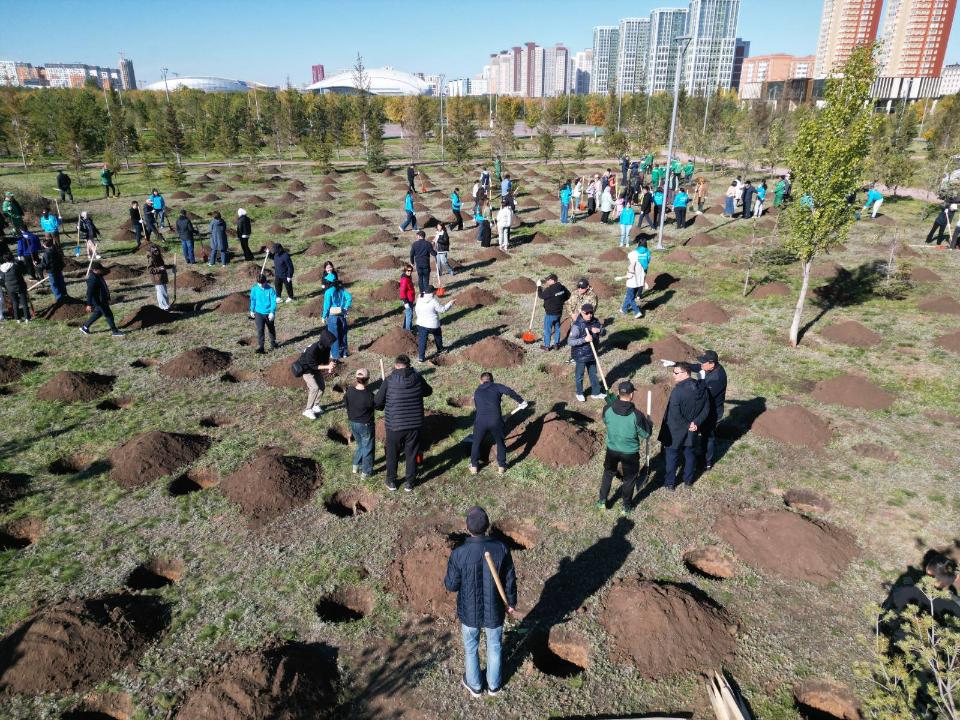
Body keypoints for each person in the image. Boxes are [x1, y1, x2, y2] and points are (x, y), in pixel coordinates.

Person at [444, 505, 517, 698]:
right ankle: (494, 685)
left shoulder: (459, 554)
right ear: (487, 526)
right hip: (495, 611)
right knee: (494, 647)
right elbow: (509, 580)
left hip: (469, 612)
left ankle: (475, 686)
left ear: (467, 527)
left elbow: (451, 585)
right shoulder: (501, 549)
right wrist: (511, 603)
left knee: (471, 649)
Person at [374, 354, 433, 491]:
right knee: (411, 453)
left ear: (396, 365)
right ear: (409, 365)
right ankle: (410, 482)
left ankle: (391, 481)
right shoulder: (417, 377)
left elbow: (377, 402)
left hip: (394, 425)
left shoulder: (389, 380)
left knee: (392, 453)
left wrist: (381, 405)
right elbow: (428, 391)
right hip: (414, 425)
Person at [598, 381, 652, 514]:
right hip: (629, 453)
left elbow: (605, 420)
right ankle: (626, 507)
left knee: (608, 473)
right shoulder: (637, 415)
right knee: (629, 479)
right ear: (632, 395)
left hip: (612, 449)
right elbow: (646, 434)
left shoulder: (608, 409)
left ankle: (602, 501)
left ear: (618, 393)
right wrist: (649, 424)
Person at [658, 362, 709, 489]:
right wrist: (696, 423)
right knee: (690, 455)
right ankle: (688, 481)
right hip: (692, 430)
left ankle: (670, 483)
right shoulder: (702, 388)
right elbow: (706, 409)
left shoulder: (677, 392)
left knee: (672, 457)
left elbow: (675, 413)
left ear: (685, 373)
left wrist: (687, 425)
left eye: (676, 373)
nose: (673, 375)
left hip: (675, 431)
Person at [469, 372, 526, 475]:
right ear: (492, 380)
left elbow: (478, 408)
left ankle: (474, 467)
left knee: (476, 443)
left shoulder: (477, 391)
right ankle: (502, 467)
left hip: (480, 421)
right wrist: (521, 401)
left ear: (480, 381)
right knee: (500, 442)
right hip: (495, 421)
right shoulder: (496, 386)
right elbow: (509, 391)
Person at [567, 303, 605, 401]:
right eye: (587, 313)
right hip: (581, 355)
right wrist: (584, 340)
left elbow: (604, 332)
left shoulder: (595, 321)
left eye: (591, 313)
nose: (589, 315)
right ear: (582, 312)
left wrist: (599, 330)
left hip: (592, 353)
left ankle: (596, 393)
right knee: (579, 375)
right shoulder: (577, 325)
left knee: (593, 374)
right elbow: (570, 341)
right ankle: (579, 393)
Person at [298, 329, 336, 419]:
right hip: (306, 370)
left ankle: (315, 405)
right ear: (325, 341)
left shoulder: (326, 347)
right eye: (330, 343)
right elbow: (313, 366)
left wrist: (329, 367)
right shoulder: (312, 350)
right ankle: (307, 410)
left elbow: (325, 360)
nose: (331, 344)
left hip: (315, 368)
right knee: (314, 388)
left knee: (322, 387)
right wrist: (327, 367)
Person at [346, 368, 376, 479]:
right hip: (365, 424)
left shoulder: (349, 391)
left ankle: (356, 466)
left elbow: (346, 403)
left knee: (360, 445)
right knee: (368, 448)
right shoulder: (369, 395)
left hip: (353, 422)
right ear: (368, 379)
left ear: (356, 378)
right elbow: (378, 406)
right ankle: (366, 472)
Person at [80, 262, 123, 336]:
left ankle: (85, 327)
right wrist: (89, 304)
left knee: (98, 313)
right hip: (99, 301)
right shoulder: (92, 279)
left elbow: (106, 271)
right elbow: (89, 293)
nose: (101, 270)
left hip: (101, 299)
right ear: (95, 270)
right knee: (108, 315)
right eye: (100, 269)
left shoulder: (98, 275)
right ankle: (115, 331)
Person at [414, 285, 454, 362]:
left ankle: (421, 358)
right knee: (438, 335)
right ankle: (440, 349)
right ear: (432, 292)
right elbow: (442, 310)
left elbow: (416, 309)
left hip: (421, 324)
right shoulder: (433, 301)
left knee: (422, 341)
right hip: (432, 325)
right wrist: (450, 303)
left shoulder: (419, 299)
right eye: (434, 291)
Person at [321, 275, 352, 360]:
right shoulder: (341, 289)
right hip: (342, 315)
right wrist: (345, 307)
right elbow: (349, 298)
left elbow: (327, 306)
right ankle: (344, 353)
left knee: (334, 336)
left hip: (333, 317)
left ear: (328, 282)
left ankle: (335, 355)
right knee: (343, 335)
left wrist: (324, 316)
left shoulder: (328, 292)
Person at [536, 274, 570, 351]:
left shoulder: (550, 290)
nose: (547, 281)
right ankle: (556, 345)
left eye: (548, 280)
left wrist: (539, 287)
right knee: (557, 328)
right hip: (559, 312)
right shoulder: (562, 287)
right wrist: (560, 300)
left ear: (552, 280)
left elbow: (541, 296)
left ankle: (547, 346)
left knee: (547, 330)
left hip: (550, 314)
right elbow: (568, 295)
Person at [249, 273, 279, 354]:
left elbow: (273, 302)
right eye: (259, 283)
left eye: (262, 283)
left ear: (265, 281)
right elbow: (253, 300)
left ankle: (273, 343)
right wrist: (252, 310)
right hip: (258, 313)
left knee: (271, 328)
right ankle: (261, 347)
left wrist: (272, 312)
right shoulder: (254, 289)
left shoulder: (271, 290)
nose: (261, 285)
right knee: (260, 330)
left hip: (269, 313)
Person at [621, 237, 650, 319]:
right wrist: (644, 283)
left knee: (630, 297)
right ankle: (624, 309)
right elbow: (648, 260)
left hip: (632, 282)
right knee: (630, 295)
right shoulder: (647, 251)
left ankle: (637, 312)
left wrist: (621, 277)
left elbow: (630, 275)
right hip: (642, 274)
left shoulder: (635, 256)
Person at [0, 255, 29, 323]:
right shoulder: (15, 266)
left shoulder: (1, 268)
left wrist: (6, 286)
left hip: (10, 287)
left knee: (14, 302)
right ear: (12, 259)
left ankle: (18, 319)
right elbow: (23, 272)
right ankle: (27, 318)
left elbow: (2, 279)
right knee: (24, 301)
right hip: (19, 285)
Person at [40, 236, 67, 301]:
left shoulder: (46, 253)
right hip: (59, 268)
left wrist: (38, 265)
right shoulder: (56, 250)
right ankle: (64, 294)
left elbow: (45, 264)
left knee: (54, 284)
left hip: (52, 271)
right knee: (61, 281)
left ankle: (59, 297)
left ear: (44, 245)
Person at [146, 243, 171, 310]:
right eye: (155, 251)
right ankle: (164, 307)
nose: (156, 252)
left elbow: (162, 266)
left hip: (162, 278)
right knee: (161, 293)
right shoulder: (151, 259)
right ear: (152, 251)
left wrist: (170, 266)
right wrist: (159, 269)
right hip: (157, 279)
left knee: (163, 292)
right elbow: (150, 270)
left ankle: (164, 306)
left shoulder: (158, 257)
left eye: (157, 250)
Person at [399, 264, 416, 331]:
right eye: (408, 271)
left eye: (411, 270)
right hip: (407, 300)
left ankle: (405, 328)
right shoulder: (404, 280)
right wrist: (405, 302)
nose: (410, 272)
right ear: (405, 270)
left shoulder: (409, 277)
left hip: (410, 299)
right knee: (409, 315)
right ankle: (408, 331)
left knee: (408, 314)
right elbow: (402, 291)